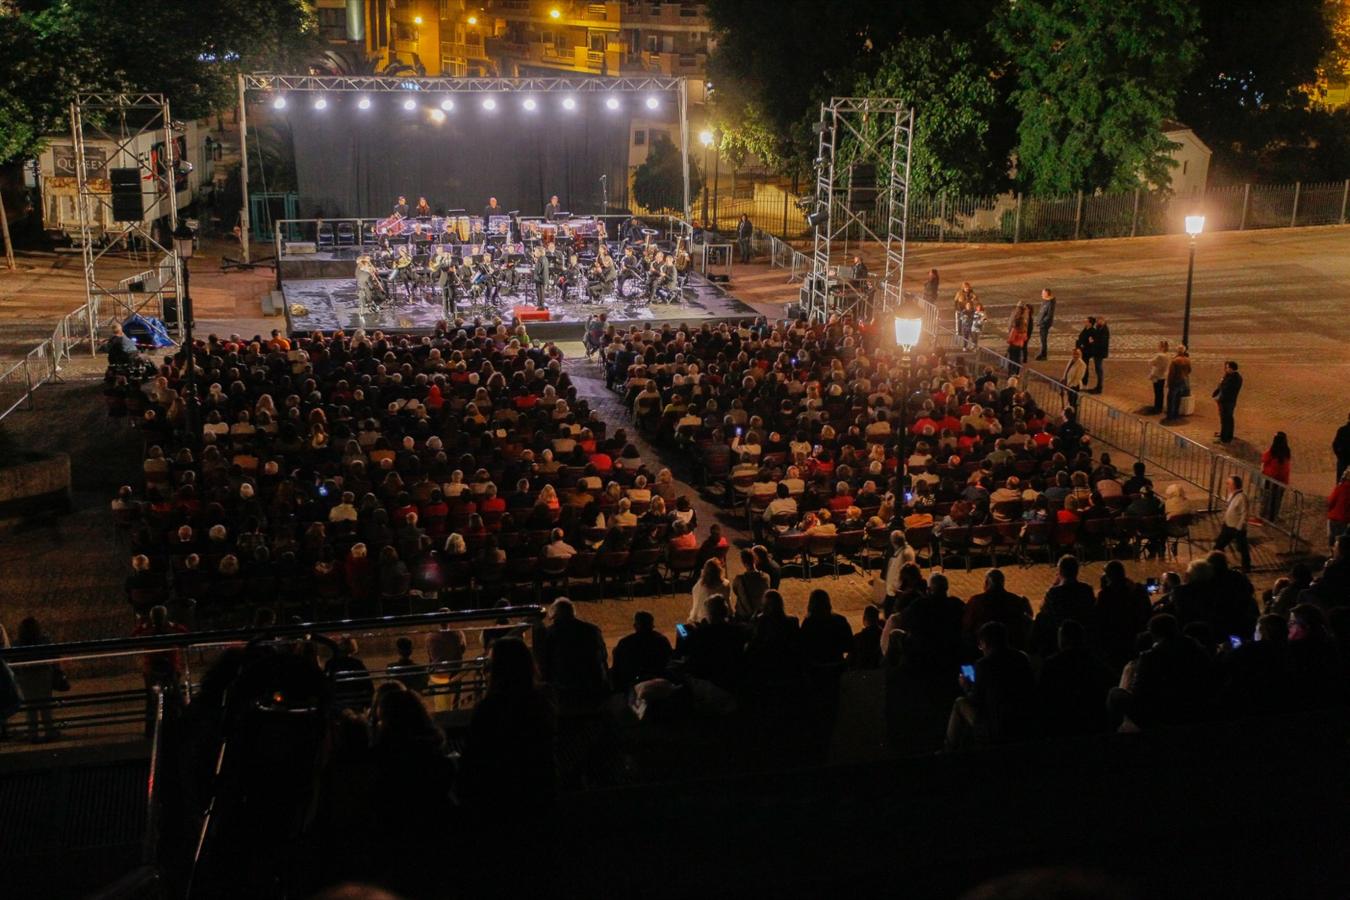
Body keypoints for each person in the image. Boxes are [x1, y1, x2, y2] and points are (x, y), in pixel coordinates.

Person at [458, 636, 556, 810]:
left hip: (499, 796)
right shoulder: (542, 701)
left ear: (496, 669)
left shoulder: (488, 708)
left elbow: (473, 757)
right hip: (540, 789)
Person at [946, 621, 1036, 750]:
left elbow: (976, 700)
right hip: (1025, 725)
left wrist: (966, 686)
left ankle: (948, 749)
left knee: (960, 703)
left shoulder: (984, 664)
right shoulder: (1022, 658)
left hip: (996, 730)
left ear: (984, 643)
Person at [538, 598, 608, 706]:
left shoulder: (550, 633)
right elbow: (603, 656)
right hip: (592, 686)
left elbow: (544, 664)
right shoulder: (592, 630)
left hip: (564, 688)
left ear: (555, 616)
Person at [610, 610, 673, 691]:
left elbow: (617, 669)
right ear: (652, 625)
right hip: (658, 680)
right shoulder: (661, 640)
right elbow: (670, 660)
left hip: (633, 683)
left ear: (635, 626)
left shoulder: (625, 642)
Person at [1213, 475, 1252, 573]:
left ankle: (1246, 566)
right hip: (1228, 525)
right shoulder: (1232, 495)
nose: (1227, 485)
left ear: (1234, 485)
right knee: (1219, 545)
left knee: (1242, 548)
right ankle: (1219, 564)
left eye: (1228, 483)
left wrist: (1240, 527)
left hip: (1236, 528)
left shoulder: (1242, 497)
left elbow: (1245, 514)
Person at [731, 549, 770, 620]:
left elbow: (736, 591)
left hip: (743, 614)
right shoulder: (766, 577)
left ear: (743, 562)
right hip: (759, 614)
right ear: (755, 560)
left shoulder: (739, 579)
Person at [1260, 432, 1292, 520]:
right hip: (1282, 480)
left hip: (1270, 479)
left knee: (1266, 497)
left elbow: (1264, 459)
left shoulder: (1272, 451)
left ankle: (1263, 514)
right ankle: (1273, 516)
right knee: (1277, 499)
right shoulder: (1287, 452)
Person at [689, 558, 731, 623]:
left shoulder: (701, 585)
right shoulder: (726, 584)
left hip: (704, 620)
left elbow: (696, 604)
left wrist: (692, 619)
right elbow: (727, 605)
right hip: (721, 619)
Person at [1212, 360, 1242, 444]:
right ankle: (1227, 434)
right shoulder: (1232, 376)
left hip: (1227, 402)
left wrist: (1221, 383)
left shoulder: (1234, 379)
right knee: (1228, 419)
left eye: (1227, 367)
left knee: (1226, 420)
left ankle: (1224, 438)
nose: (1226, 369)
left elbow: (1226, 390)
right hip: (1228, 401)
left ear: (1232, 368)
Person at [1164, 344, 1192, 421]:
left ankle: (1170, 415)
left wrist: (1168, 382)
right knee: (1178, 398)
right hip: (1183, 381)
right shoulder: (1187, 360)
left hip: (1175, 381)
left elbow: (1171, 373)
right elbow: (1189, 370)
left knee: (1171, 398)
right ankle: (1176, 413)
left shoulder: (1175, 361)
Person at [850, 605, 883, 670]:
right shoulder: (883, 635)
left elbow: (850, 659)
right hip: (879, 671)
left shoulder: (859, 637)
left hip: (862, 672)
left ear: (864, 618)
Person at [1328, 469, 1350, 546]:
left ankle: (1331, 553)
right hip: (1345, 520)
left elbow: (1331, 501)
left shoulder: (1340, 488)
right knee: (1341, 541)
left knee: (1332, 537)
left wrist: (1330, 510)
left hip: (1334, 518)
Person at [1148, 340, 1170, 414]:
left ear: (1162, 347)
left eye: (1159, 345)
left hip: (1157, 376)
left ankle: (1157, 407)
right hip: (1163, 376)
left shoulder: (1159, 355)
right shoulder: (1167, 355)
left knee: (1157, 392)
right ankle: (1159, 406)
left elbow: (1151, 362)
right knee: (1161, 392)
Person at [1034, 288, 1056, 360]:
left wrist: (1042, 322)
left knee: (1043, 339)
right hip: (1042, 323)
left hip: (1045, 324)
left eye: (1043, 293)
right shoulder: (1045, 301)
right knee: (1042, 339)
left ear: (1046, 294)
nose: (1041, 295)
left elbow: (1049, 315)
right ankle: (1042, 353)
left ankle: (1043, 354)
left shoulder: (1050, 303)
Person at [531, 244, 550, 310]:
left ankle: (540, 306)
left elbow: (538, 270)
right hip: (544, 279)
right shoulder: (544, 258)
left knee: (540, 293)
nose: (534, 253)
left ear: (540, 252)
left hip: (540, 279)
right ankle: (541, 305)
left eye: (535, 252)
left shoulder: (540, 260)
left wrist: (533, 270)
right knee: (542, 293)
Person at [1334, 413, 1350, 482]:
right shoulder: (1342, 430)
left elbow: (1335, 445)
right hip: (1343, 460)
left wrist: (1340, 456)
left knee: (1341, 482)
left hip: (1343, 461)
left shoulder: (1342, 430)